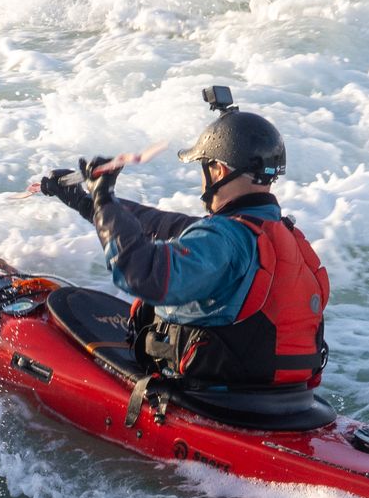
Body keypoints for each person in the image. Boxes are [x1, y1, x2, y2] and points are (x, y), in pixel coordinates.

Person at [39, 88, 328, 395]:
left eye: (204, 167)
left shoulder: (223, 241)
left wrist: (105, 199)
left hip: (217, 402)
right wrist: (91, 203)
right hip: (285, 398)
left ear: (219, 170)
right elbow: (161, 226)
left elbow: (140, 274)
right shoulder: (279, 235)